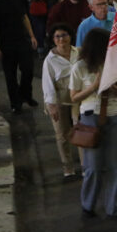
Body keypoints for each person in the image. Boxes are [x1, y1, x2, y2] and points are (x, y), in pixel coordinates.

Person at [70, 28, 117, 219]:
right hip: (90, 117)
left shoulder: (114, 64)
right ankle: (88, 205)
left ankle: (114, 208)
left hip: (114, 115)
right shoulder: (80, 67)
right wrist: (94, 87)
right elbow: (74, 97)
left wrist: (113, 87)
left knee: (115, 165)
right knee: (93, 166)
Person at [41, 23, 81, 178]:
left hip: (78, 96)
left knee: (81, 129)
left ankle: (86, 164)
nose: (61, 39)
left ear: (70, 36)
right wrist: (51, 106)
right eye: (57, 36)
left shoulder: (79, 52)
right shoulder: (50, 60)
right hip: (59, 99)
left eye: (64, 35)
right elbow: (47, 84)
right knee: (62, 134)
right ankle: (68, 167)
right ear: (53, 39)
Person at [0, 0, 38, 114]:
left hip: (22, 39)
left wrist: (32, 36)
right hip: (5, 42)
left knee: (28, 69)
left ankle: (25, 94)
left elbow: (24, 17)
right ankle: (15, 103)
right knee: (10, 75)